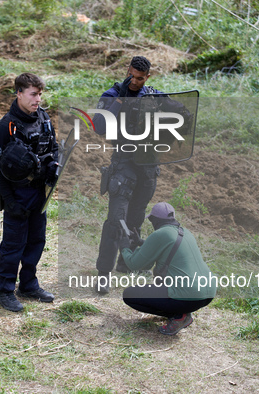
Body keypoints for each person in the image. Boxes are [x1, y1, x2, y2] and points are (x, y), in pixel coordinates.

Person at [92, 56, 165, 293]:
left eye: (140, 78)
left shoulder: (153, 95)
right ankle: (104, 273)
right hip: (123, 166)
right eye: (132, 76)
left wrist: (174, 109)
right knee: (116, 220)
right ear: (127, 71)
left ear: (148, 77)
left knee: (136, 218)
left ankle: (127, 263)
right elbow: (99, 127)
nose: (135, 81)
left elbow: (178, 122)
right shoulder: (113, 94)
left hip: (147, 167)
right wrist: (121, 101)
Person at [0, 73, 58, 312]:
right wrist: (9, 200)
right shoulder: (6, 126)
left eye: (40, 94)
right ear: (18, 93)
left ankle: (28, 284)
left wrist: (53, 169)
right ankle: (6, 290)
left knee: (36, 240)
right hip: (17, 196)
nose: (38, 99)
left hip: (39, 193)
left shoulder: (44, 119)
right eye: (33, 94)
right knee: (13, 244)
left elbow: (54, 148)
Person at [118, 202, 216, 335]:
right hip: (207, 294)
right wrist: (140, 242)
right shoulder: (185, 232)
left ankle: (178, 316)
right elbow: (168, 247)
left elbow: (136, 264)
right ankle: (182, 313)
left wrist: (124, 247)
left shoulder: (160, 233)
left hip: (187, 295)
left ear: (154, 220)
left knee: (129, 295)